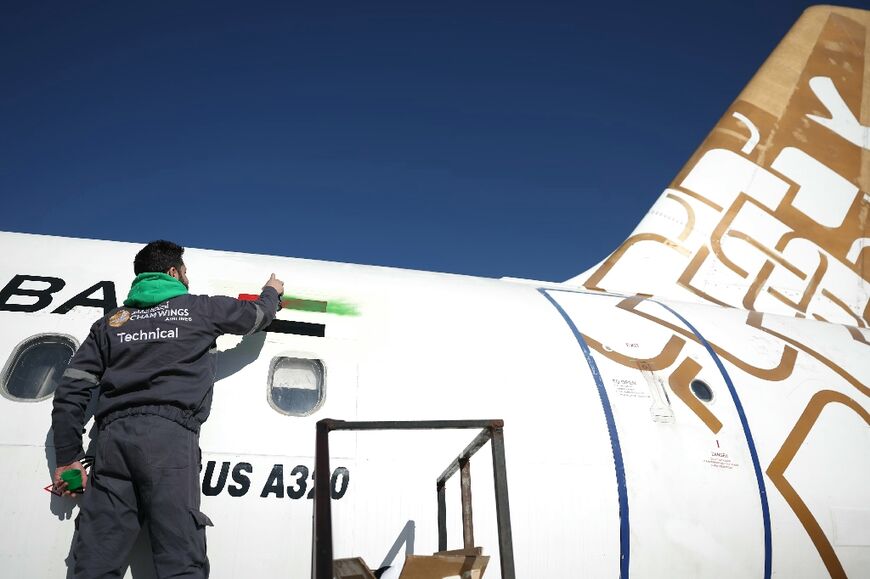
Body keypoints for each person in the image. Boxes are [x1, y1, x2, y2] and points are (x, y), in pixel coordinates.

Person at [51, 240, 284, 578]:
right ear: (174, 272)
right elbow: (257, 317)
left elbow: (71, 389)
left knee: (95, 560)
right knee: (180, 556)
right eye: (185, 273)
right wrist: (271, 292)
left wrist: (67, 460)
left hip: (112, 442)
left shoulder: (111, 323)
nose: (186, 279)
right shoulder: (201, 309)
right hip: (169, 442)